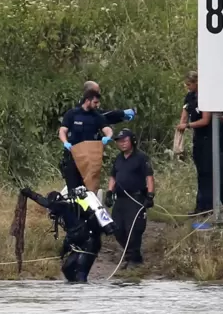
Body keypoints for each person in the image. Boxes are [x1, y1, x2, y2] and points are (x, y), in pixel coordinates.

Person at [19, 186, 115, 283]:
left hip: (90, 244)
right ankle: (74, 291)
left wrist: (30, 194)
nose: (51, 213)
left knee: (80, 271)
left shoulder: (64, 206)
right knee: (67, 269)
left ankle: (83, 290)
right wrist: (64, 250)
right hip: (81, 244)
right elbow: (71, 234)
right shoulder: (69, 211)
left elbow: (47, 203)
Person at [105, 128, 155, 268]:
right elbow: (113, 176)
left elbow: (149, 177)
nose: (122, 144)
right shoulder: (118, 159)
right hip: (120, 199)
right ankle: (130, 254)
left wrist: (150, 195)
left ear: (132, 141)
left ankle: (134, 259)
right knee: (117, 228)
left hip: (135, 198)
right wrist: (109, 192)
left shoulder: (141, 158)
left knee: (134, 229)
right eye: (119, 141)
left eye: (125, 141)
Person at [59, 89, 114, 193]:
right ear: (87, 100)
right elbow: (62, 130)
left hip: (89, 159)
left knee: (89, 190)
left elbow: (107, 129)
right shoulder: (72, 114)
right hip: (73, 156)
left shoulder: (97, 116)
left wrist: (107, 136)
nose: (97, 105)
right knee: (73, 190)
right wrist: (65, 142)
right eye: (95, 102)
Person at [176, 71, 213, 215]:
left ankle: (209, 206)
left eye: (190, 84)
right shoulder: (190, 97)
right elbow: (185, 110)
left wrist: (188, 126)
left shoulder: (205, 98)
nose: (188, 87)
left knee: (207, 172)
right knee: (200, 172)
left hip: (207, 138)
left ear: (197, 83)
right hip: (197, 138)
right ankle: (200, 206)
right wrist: (182, 124)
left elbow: (205, 120)